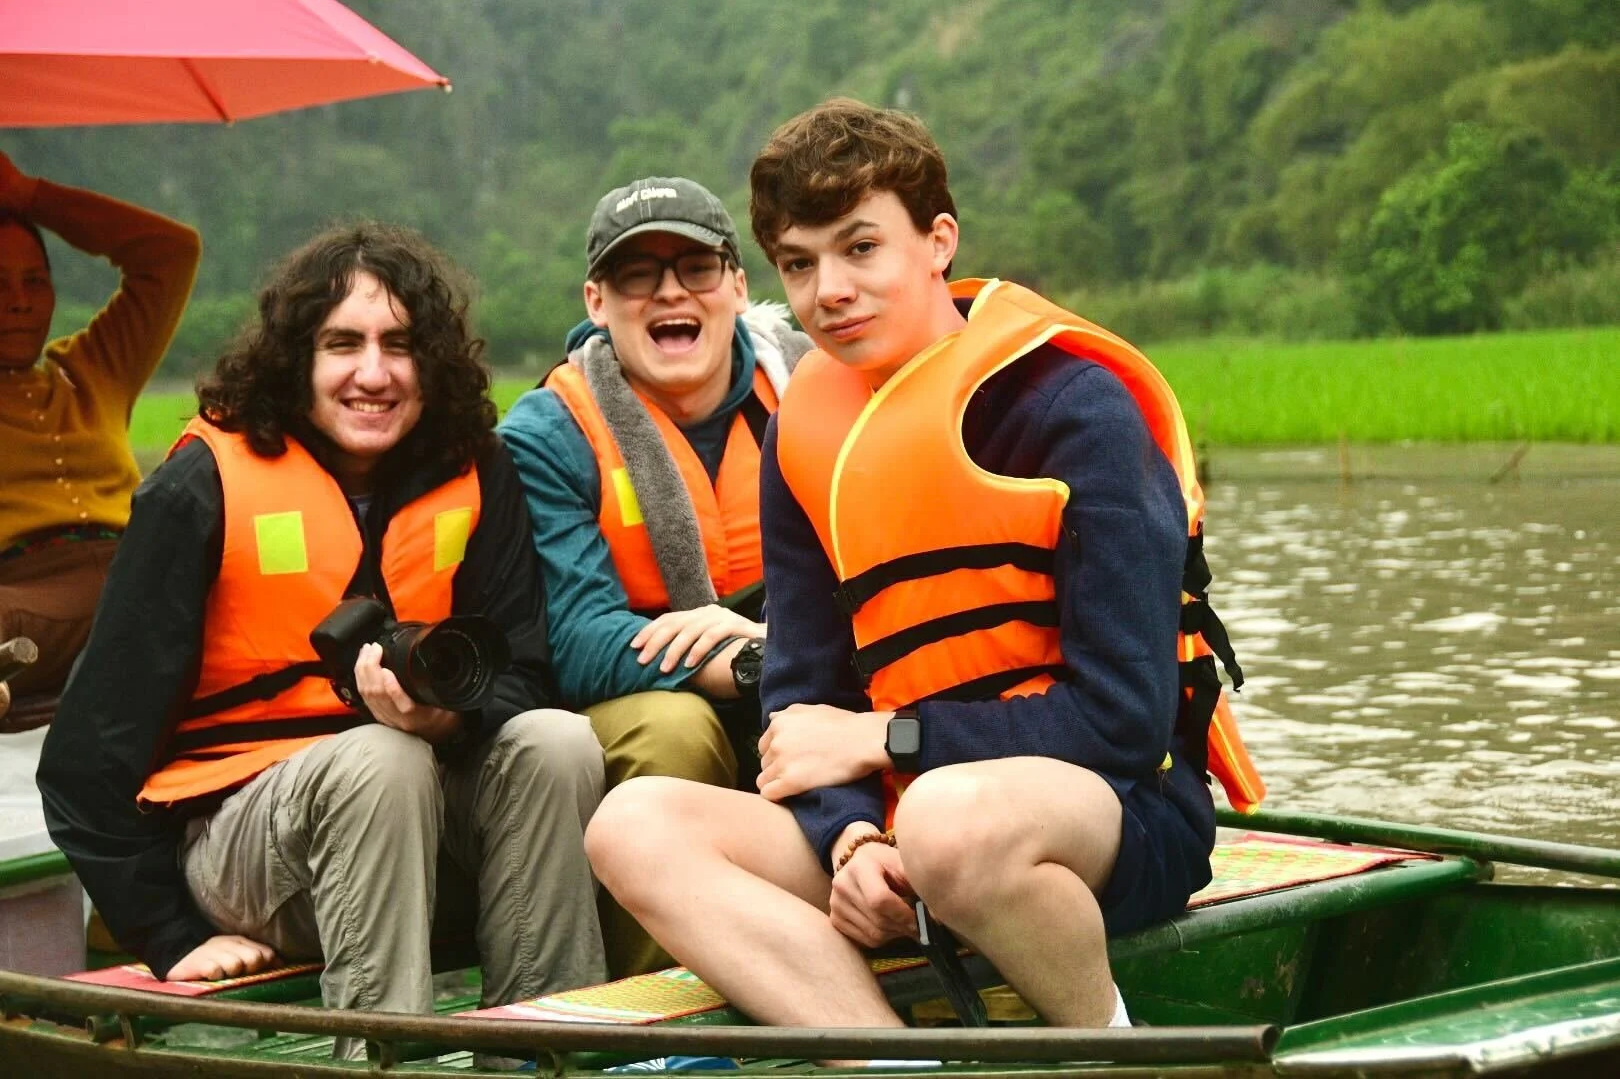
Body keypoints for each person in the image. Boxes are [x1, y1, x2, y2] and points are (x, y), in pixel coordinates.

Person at [584, 99, 1263, 1038]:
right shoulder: (804, 438)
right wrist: (852, 837)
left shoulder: (1074, 410)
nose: (829, 292)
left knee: (951, 822)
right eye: (799, 263)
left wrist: (885, 744)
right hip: (907, 813)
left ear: (938, 240)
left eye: (861, 248)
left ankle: (1114, 1050)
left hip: (1112, 813)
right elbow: (804, 704)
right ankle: (882, 1063)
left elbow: (1122, 719)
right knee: (634, 823)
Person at [37, 223, 606, 1057]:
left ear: (433, 361)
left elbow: (524, 672)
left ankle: (541, 1053)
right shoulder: (204, 484)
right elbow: (83, 761)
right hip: (246, 852)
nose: (372, 374)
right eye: (343, 344)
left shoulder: (477, 469)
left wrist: (442, 720)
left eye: (400, 346)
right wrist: (169, 931)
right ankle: (380, 1060)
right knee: (380, 761)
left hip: (422, 840)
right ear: (297, 358)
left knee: (557, 742)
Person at [500, 177, 809, 976]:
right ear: (597, 300)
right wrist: (752, 664)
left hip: (805, 661)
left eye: (695, 267)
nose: (669, 290)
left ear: (738, 287)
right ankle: (670, 1012)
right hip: (646, 704)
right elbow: (577, 641)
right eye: (638, 274)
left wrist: (788, 651)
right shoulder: (547, 431)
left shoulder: (819, 386)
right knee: (676, 732)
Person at [0, 151, 200, 732]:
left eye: (35, 280)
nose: (18, 300)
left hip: (145, 571)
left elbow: (171, 252)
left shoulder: (94, 368)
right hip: (28, 600)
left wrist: (28, 194)